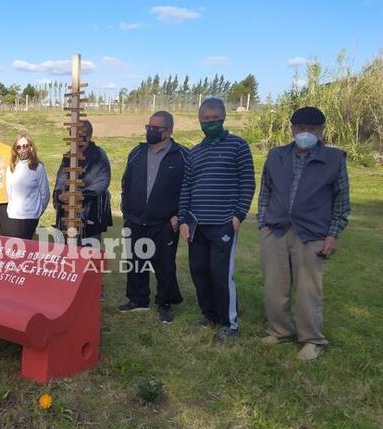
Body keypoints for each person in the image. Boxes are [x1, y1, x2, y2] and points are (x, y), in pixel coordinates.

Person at [257, 106, 350, 361]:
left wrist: (333, 235)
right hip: (275, 229)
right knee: (275, 286)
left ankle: (312, 340)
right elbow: (266, 190)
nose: (305, 133)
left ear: (321, 131)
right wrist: (263, 221)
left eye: (312, 129)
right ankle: (279, 331)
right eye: (300, 128)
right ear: (292, 129)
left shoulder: (334, 159)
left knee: (308, 290)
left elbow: (341, 201)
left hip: (312, 232)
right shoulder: (277, 155)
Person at [178, 97, 256, 342]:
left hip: (224, 222)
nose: (209, 123)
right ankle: (209, 314)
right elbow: (186, 187)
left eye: (214, 119)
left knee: (221, 273)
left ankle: (228, 322)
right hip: (196, 224)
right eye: (205, 120)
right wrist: (182, 219)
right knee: (199, 271)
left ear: (223, 118)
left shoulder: (238, 146)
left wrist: (238, 215)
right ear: (199, 121)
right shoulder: (194, 153)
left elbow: (247, 183)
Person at [120, 111, 189, 323]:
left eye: (155, 128)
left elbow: (188, 188)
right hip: (136, 218)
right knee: (136, 261)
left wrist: (179, 215)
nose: (149, 131)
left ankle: (164, 303)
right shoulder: (137, 153)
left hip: (166, 221)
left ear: (168, 132)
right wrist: (126, 209)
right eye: (147, 126)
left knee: (164, 264)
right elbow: (126, 181)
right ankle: (138, 299)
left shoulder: (182, 155)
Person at [53, 120, 113, 244]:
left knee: (89, 251)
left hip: (90, 212)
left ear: (89, 136)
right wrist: (59, 194)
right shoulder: (69, 156)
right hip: (68, 213)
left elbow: (103, 181)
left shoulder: (99, 155)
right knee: (68, 250)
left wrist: (81, 195)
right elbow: (61, 178)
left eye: (80, 135)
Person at [5, 133, 50, 239]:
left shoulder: (38, 168)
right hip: (13, 215)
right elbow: (9, 191)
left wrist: (38, 211)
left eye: (25, 146)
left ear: (31, 147)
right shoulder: (11, 167)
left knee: (24, 246)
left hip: (30, 216)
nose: (22, 149)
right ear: (15, 150)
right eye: (19, 147)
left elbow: (45, 194)